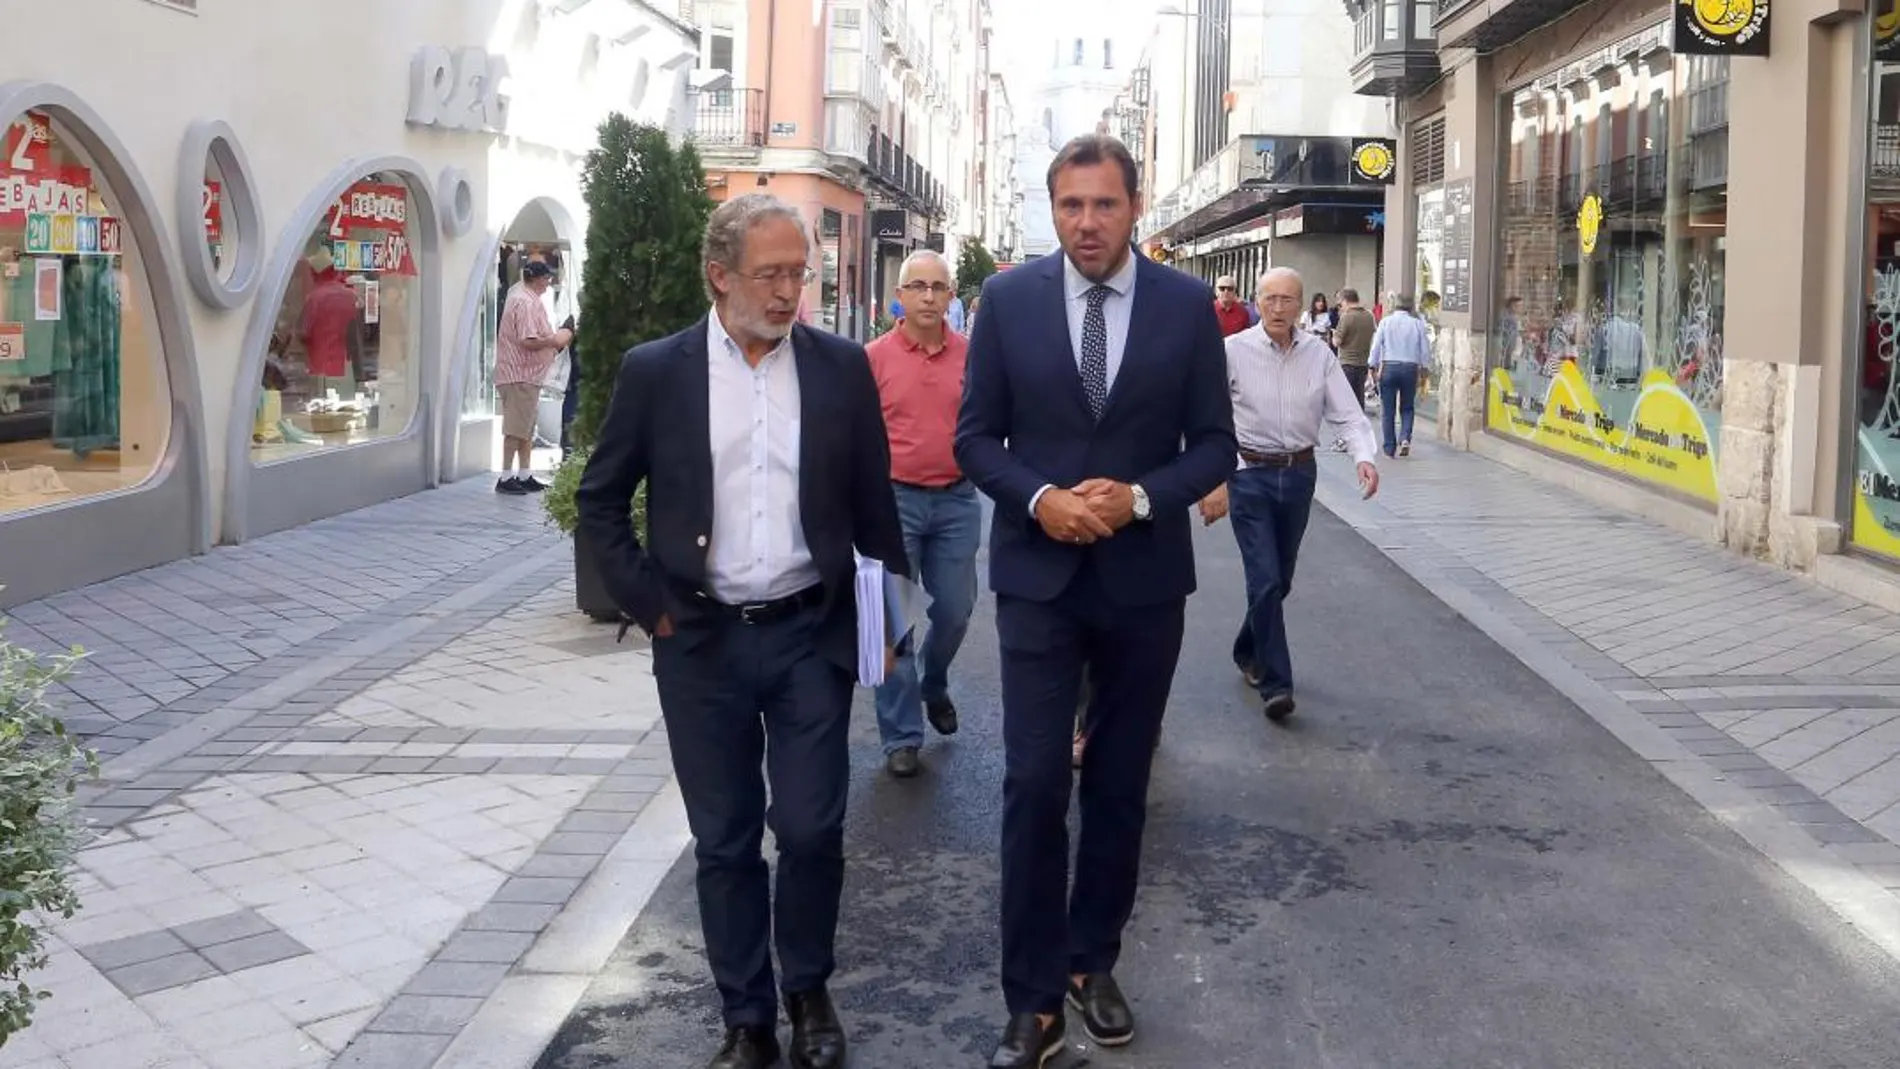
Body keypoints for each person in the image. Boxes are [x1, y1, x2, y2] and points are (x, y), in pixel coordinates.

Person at [575, 193, 910, 1069]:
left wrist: (878, 633)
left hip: (810, 634)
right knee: (724, 840)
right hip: (701, 642)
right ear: (718, 276)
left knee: (808, 828)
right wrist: (651, 606)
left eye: (799, 272)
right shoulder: (659, 371)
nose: (790, 291)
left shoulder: (839, 367)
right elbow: (601, 501)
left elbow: (875, 512)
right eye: (770, 274)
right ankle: (747, 1018)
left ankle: (807, 989)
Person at [956, 134, 1236, 1068]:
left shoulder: (1188, 305)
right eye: (1070, 206)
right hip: (1037, 578)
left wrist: (1141, 496)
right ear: (1053, 208)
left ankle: (1092, 962)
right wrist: (1041, 498)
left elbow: (1213, 444)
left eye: (1103, 205)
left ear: (1136, 205)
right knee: (1035, 781)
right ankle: (1031, 1001)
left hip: (1143, 582)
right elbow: (976, 438)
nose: (1086, 223)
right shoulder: (1006, 299)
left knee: (1118, 783)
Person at [1198, 267, 1380, 722]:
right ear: (1256, 302)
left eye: (1288, 300)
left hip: (1299, 475)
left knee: (1281, 579)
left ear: (1304, 306)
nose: (1278, 308)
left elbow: (1348, 413)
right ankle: (1277, 684)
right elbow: (1206, 420)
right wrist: (1214, 478)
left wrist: (1364, 457)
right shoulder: (1231, 352)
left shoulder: (1318, 355)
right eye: (1270, 299)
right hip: (1248, 474)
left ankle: (1247, 648)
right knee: (1264, 578)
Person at [865, 249, 982, 778]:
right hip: (892, 501)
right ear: (901, 295)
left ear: (952, 297)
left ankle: (934, 682)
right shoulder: (872, 359)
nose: (929, 296)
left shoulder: (973, 356)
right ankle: (901, 738)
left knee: (956, 610)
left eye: (939, 287)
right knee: (888, 623)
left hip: (957, 499)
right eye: (919, 286)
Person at [494, 259, 571, 493]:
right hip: (519, 375)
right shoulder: (525, 302)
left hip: (526, 376)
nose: (549, 283)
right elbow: (527, 340)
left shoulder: (520, 295)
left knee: (526, 430)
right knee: (516, 430)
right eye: (546, 278)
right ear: (536, 279)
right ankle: (506, 478)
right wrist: (556, 339)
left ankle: (525, 474)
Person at [1369, 292, 1433, 457]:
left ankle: (1389, 447)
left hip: (1389, 366)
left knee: (1388, 410)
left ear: (1394, 305)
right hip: (1410, 368)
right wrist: (1425, 367)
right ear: (1411, 306)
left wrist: (1372, 365)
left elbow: (1376, 345)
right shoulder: (1417, 324)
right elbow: (1424, 348)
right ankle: (1405, 438)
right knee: (1407, 407)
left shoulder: (1386, 322)